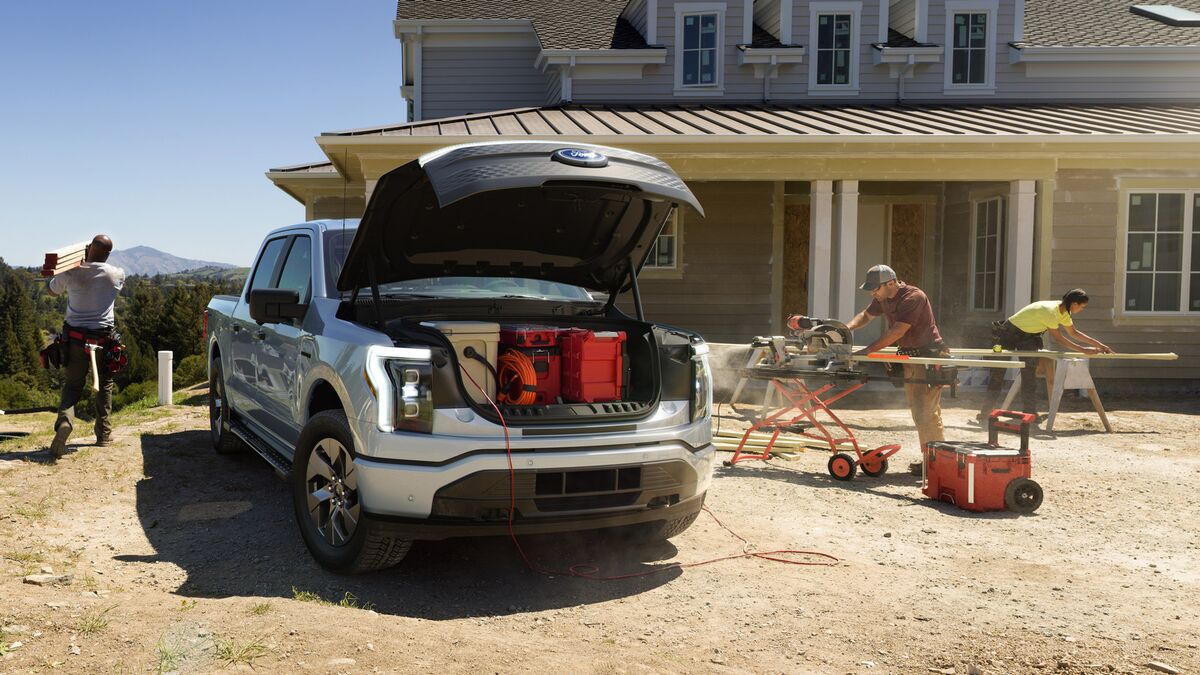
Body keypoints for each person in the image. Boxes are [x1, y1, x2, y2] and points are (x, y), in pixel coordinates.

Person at [845, 264, 947, 474]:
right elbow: (866, 315)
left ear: (891, 283)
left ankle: (937, 463)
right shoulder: (883, 297)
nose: (873, 293)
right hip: (911, 356)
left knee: (926, 412)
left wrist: (869, 351)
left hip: (928, 356)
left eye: (876, 289)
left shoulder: (913, 297)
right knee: (919, 410)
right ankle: (932, 460)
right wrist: (846, 328)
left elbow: (898, 331)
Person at [977, 288, 1113, 423]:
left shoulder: (1064, 312)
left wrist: (1100, 345)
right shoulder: (1050, 312)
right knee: (998, 373)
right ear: (1074, 304)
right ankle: (986, 412)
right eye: (1082, 307)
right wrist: (1083, 350)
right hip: (1009, 332)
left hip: (1028, 337)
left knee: (1029, 375)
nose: (1081, 310)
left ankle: (1029, 413)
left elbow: (1074, 333)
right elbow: (1059, 338)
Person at [47, 234, 126, 459]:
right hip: (103, 339)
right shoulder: (116, 274)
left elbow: (52, 290)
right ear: (108, 254)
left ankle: (65, 422)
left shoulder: (71, 272)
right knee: (105, 384)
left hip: (75, 339)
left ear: (88, 248)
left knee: (72, 386)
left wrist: (74, 264)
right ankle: (103, 435)